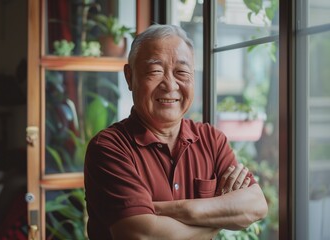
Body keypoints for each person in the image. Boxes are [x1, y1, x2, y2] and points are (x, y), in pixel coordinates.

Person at [84, 24, 268, 240]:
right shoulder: (109, 148)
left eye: (181, 72)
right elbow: (141, 235)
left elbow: (256, 205)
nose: (170, 85)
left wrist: (172, 209)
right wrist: (218, 218)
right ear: (129, 77)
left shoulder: (211, 139)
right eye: (155, 71)